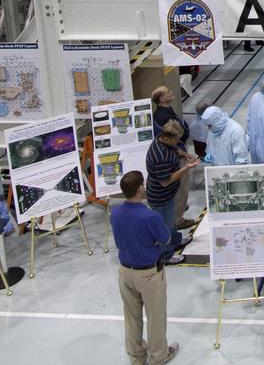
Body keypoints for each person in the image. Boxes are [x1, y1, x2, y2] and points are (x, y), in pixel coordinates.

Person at [112, 170, 178, 365]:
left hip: (125, 271)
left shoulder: (115, 213)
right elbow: (165, 238)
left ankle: (136, 356)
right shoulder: (150, 217)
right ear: (141, 188)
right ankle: (158, 355)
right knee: (155, 316)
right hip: (148, 274)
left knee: (131, 317)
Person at [145, 121, 200, 262]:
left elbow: (175, 148)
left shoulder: (162, 138)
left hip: (168, 194)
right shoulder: (160, 157)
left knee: (171, 220)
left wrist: (184, 155)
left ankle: (176, 240)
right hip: (160, 196)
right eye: (176, 139)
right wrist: (186, 167)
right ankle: (167, 255)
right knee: (165, 227)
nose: (178, 142)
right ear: (167, 138)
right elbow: (165, 181)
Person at [150, 85, 196, 229]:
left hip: (178, 153)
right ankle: (178, 219)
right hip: (176, 162)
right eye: (168, 92)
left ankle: (177, 209)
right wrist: (185, 164)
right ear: (162, 99)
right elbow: (166, 181)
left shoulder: (165, 111)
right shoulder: (163, 117)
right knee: (181, 188)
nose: (171, 92)